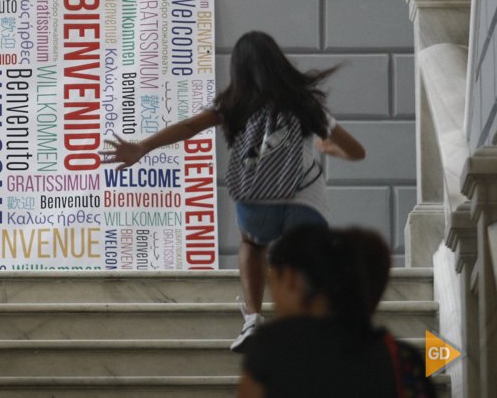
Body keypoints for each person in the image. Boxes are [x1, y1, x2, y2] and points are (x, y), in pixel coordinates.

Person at [99, 31, 365, 352]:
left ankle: (253, 319)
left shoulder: (233, 104)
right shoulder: (304, 103)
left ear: (238, 70)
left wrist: (142, 146)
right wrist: (327, 147)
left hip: (256, 201)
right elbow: (356, 152)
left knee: (252, 247)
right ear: (277, 62)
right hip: (304, 201)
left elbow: (189, 127)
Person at [237, 224, 436, 398]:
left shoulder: (272, 345)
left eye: (272, 282)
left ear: (290, 278)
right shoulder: (402, 358)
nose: (273, 300)